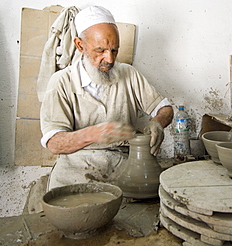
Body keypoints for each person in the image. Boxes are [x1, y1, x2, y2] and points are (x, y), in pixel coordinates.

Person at [40, 6, 173, 191]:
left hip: (125, 164)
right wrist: (94, 134)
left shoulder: (129, 74)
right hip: (76, 167)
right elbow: (54, 142)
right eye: (100, 50)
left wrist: (158, 122)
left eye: (114, 50)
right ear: (80, 45)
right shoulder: (61, 82)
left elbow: (165, 108)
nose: (109, 59)